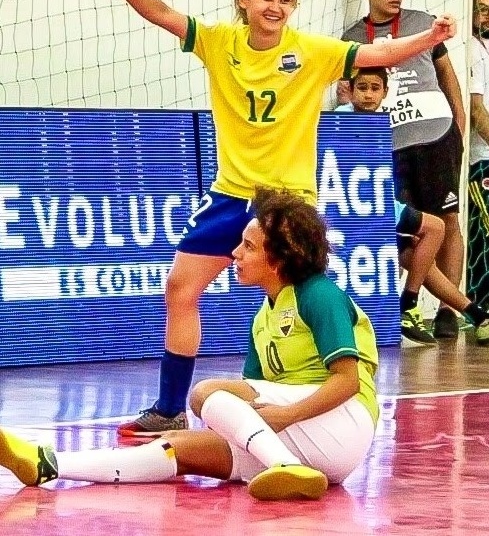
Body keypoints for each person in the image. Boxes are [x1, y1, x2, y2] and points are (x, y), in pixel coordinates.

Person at [96, 0, 457, 435]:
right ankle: (168, 407)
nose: (276, 6)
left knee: (296, 301)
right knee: (180, 289)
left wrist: (430, 37)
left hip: (287, 201)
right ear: (243, 1)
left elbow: (382, 55)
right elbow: (161, 13)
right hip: (229, 195)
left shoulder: (311, 50)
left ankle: (314, 399)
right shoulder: (218, 42)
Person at [0, 188, 380, 501]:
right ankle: (47, 463)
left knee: (205, 393)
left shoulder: (319, 295)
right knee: (177, 447)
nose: (235, 254)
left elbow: (348, 382)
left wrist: (285, 416)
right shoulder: (263, 317)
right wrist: (209, 438)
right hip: (313, 443)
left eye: (248, 246)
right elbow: (247, 410)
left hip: (343, 422)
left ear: (280, 256)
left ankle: (283, 465)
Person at [339, 0, 466, 341]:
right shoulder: (351, 38)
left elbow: (447, 74)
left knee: (447, 222)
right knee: (397, 232)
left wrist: (458, 126)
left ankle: (449, 309)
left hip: (435, 138)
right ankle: (391, 310)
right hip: (388, 147)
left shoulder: (422, 24)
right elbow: (346, 89)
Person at [341, 68, 489, 345]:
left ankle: (475, 314)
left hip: (379, 206)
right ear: (350, 90)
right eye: (362, 87)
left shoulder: (387, 123)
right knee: (434, 228)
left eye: (375, 88)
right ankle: (409, 303)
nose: (369, 94)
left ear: (385, 93)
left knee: (415, 255)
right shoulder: (342, 117)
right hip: (356, 210)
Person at [468, 0, 489, 322]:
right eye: (481, 7)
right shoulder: (471, 49)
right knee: (484, 233)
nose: (487, 14)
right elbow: (476, 111)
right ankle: (482, 308)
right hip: (480, 159)